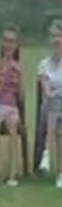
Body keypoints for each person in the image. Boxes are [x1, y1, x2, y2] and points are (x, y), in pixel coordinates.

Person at [0, 24, 23, 186]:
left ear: (16, 45)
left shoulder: (18, 66)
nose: (8, 45)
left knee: (13, 126)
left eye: (12, 41)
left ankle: (12, 174)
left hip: (12, 106)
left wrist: (18, 76)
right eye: (6, 41)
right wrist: (4, 74)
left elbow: (21, 96)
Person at [38, 20, 62, 187]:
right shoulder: (44, 65)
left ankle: (46, 153)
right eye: (53, 37)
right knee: (53, 105)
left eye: (59, 37)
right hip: (51, 107)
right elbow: (46, 90)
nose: (56, 41)